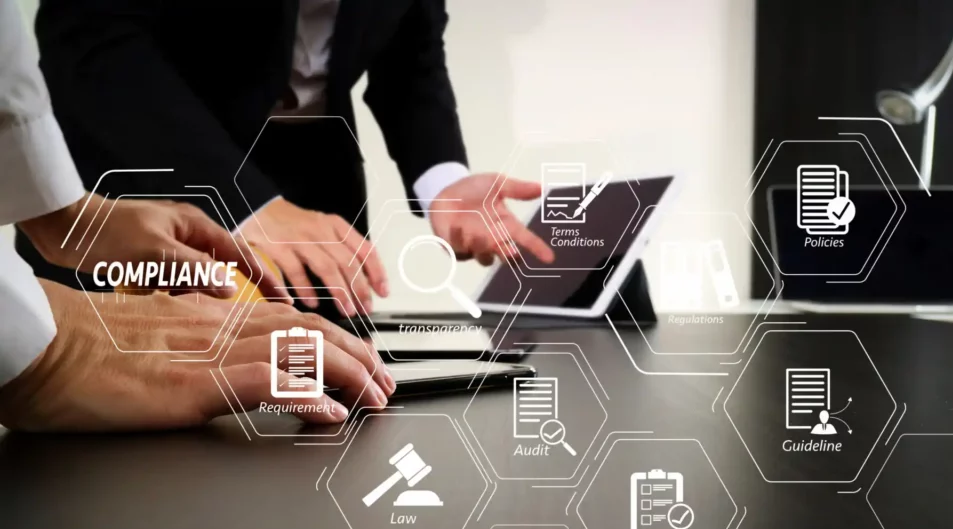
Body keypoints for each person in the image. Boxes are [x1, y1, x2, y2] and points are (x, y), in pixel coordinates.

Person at [0, 0, 393, 431]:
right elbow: (89, 26)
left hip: (305, 182)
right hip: (142, 158)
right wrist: (55, 348)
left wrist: (63, 215)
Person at [28, 0, 556, 318]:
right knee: (116, 442)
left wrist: (443, 181)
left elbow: (412, 57)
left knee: (324, 415)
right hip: (140, 183)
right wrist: (247, 201)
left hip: (318, 201)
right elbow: (92, 42)